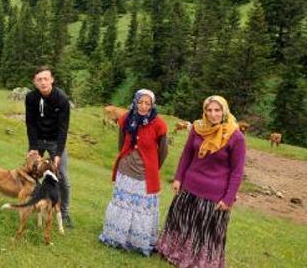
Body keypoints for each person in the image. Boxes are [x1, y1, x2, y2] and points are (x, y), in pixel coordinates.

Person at [158, 95, 246, 267]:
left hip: (214, 195)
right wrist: (178, 178)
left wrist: (228, 199)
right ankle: (173, 252)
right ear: (204, 112)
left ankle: (201, 262)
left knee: (205, 232)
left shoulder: (236, 137)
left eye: (217, 110)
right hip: (189, 188)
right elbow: (187, 155)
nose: (213, 114)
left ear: (224, 111)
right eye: (209, 110)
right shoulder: (198, 128)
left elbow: (237, 172)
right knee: (182, 223)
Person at [99, 89, 168, 256]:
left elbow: (163, 151)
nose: (143, 106)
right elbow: (122, 142)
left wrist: (152, 166)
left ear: (152, 105)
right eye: (140, 102)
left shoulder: (159, 124)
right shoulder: (126, 119)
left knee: (140, 209)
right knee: (123, 204)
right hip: (126, 169)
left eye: (147, 103)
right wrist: (126, 157)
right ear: (135, 102)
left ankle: (137, 241)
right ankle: (116, 237)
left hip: (145, 173)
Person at [24, 65, 73, 227]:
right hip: (37, 140)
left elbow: (63, 128)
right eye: (39, 80)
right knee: (31, 173)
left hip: (55, 141)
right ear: (35, 82)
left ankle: (64, 213)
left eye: (46, 78)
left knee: (63, 177)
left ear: (52, 79)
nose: (43, 82)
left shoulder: (62, 99)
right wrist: (33, 148)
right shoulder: (31, 98)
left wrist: (58, 153)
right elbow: (30, 123)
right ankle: (32, 205)